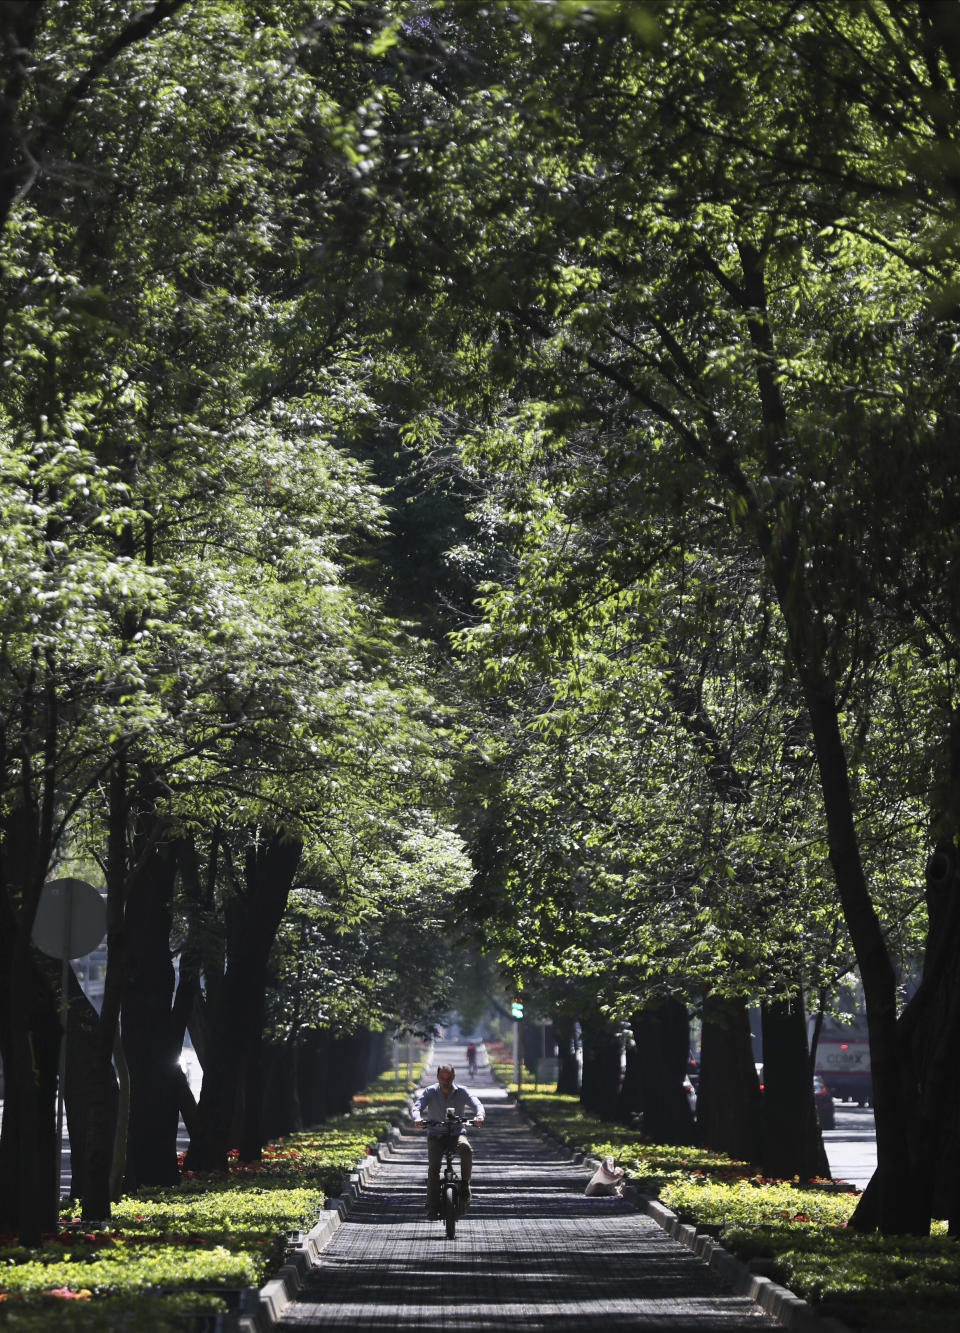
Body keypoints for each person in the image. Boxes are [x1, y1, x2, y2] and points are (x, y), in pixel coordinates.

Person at [412, 1064, 485, 1218]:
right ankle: (432, 1206)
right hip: (436, 1136)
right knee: (433, 1169)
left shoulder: (462, 1091)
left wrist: (479, 1116)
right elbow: (417, 1107)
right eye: (442, 1078)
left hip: (456, 1134)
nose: (446, 1081)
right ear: (438, 1077)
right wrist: (418, 1118)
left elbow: (476, 1103)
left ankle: (465, 1185)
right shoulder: (430, 1092)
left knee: (466, 1149)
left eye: (449, 1077)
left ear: (454, 1077)